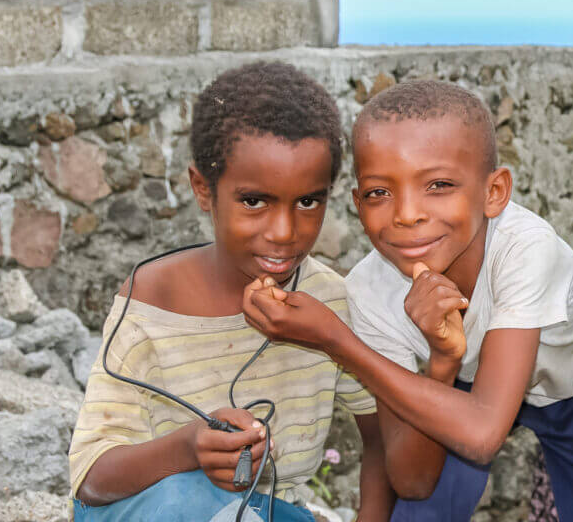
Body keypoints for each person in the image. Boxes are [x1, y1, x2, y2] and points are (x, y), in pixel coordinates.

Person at [240, 80, 573, 522]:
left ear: (494, 193)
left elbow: (482, 432)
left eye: (438, 184)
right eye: (380, 192)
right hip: (467, 388)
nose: (407, 214)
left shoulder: (525, 248)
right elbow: (412, 481)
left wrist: (336, 342)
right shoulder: (371, 290)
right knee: (420, 512)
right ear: (358, 204)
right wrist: (442, 362)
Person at [68, 61, 393, 522]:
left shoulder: (330, 303)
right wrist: (189, 446)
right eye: (253, 201)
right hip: (153, 512)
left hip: (270, 514)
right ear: (203, 189)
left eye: (307, 202)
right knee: (184, 500)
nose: (284, 232)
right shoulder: (152, 302)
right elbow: (92, 480)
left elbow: (382, 440)